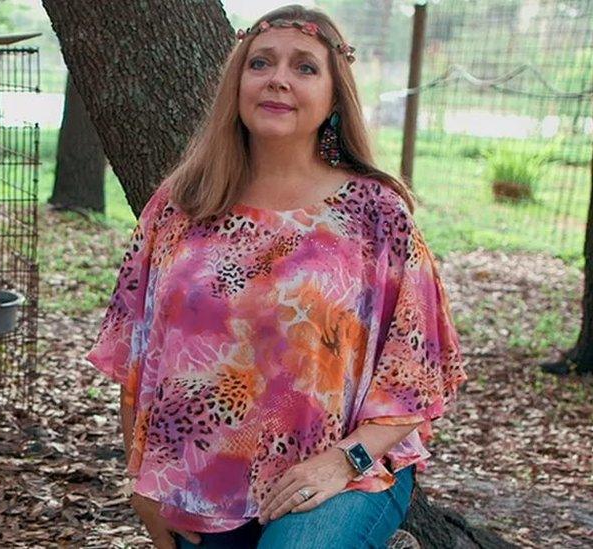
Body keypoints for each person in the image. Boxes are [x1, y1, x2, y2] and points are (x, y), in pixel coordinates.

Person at [84, 4, 468, 549]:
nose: (278, 79)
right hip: (198, 483)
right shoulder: (180, 206)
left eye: (305, 67)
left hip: (343, 472)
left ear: (335, 96)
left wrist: (342, 461)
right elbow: (138, 362)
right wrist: (142, 486)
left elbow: (418, 373)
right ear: (237, 83)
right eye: (261, 63)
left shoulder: (376, 215)